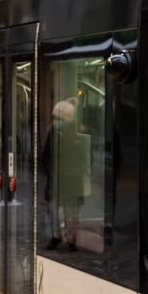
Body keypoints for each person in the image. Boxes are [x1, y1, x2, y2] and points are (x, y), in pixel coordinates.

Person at [42, 99, 89, 251]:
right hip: (58, 179)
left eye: (58, 118)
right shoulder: (54, 133)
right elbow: (46, 156)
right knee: (54, 208)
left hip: (70, 180)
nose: (55, 121)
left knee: (70, 211)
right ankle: (58, 236)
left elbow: (86, 158)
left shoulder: (79, 133)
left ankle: (70, 238)